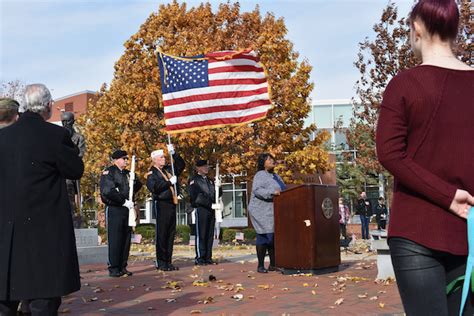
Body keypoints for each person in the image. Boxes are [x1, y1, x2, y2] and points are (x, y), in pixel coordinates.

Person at [376, 1, 474, 314]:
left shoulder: (403, 85)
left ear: (416, 29)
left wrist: (447, 197)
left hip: (416, 230)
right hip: (470, 228)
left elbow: (390, 153)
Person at [0, 84, 84, 314]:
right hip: (44, 229)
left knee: (5, 297)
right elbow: (75, 169)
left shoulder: (3, 137)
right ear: (48, 106)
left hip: (7, 229)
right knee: (43, 300)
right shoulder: (56, 135)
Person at [100, 149, 142, 277]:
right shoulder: (109, 172)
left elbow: (138, 186)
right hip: (115, 208)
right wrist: (123, 201)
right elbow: (108, 191)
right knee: (115, 238)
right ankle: (114, 268)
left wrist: (134, 181)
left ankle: (123, 266)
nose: (125, 161)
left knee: (126, 238)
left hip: (127, 209)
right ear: (116, 160)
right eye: (123, 159)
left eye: (126, 159)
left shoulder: (128, 173)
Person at [146, 145, 185, 271]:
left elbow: (180, 166)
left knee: (170, 234)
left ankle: (168, 261)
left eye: (164, 156)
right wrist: (169, 182)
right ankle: (161, 262)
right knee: (162, 234)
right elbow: (154, 187)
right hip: (161, 204)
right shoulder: (152, 172)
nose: (164, 159)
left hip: (171, 203)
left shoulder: (168, 169)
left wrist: (174, 154)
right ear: (155, 159)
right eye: (161, 157)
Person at [248, 153, 286, 273]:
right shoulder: (260, 175)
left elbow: (283, 188)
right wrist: (272, 192)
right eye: (268, 159)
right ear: (262, 163)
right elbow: (257, 190)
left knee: (273, 237)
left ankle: (273, 264)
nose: (272, 161)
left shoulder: (275, 176)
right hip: (260, 210)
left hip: (273, 210)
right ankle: (260, 266)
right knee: (264, 236)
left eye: (272, 159)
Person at [188, 159, 221, 265]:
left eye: (207, 166)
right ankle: (200, 257)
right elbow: (196, 197)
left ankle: (208, 257)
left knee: (209, 234)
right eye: (204, 166)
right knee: (201, 233)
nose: (206, 168)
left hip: (211, 209)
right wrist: (209, 204)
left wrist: (219, 187)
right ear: (198, 168)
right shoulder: (194, 180)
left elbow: (216, 194)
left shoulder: (210, 180)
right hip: (201, 209)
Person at [61, 112, 86, 225]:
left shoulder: (79, 138)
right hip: (58, 173)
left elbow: (80, 154)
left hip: (69, 174)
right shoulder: (58, 136)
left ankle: (70, 220)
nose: (65, 124)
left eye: (68, 121)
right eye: (63, 121)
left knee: (69, 198)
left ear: (73, 122)